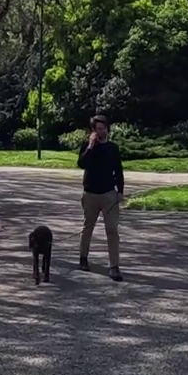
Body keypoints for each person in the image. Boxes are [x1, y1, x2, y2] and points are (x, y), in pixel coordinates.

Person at [76, 114, 125, 281]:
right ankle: (83, 258)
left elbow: (118, 170)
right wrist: (90, 146)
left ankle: (114, 266)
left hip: (109, 195)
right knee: (88, 226)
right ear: (93, 131)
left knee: (112, 230)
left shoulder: (112, 148)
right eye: (98, 129)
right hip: (90, 194)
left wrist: (120, 191)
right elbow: (82, 164)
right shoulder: (87, 147)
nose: (102, 131)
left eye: (104, 128)